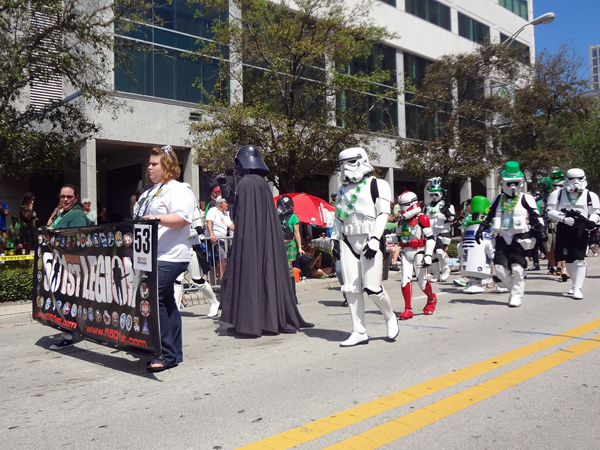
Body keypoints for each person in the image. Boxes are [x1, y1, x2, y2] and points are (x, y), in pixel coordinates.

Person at [219, 145, 313, 337]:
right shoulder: (261, 184)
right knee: (263, 277)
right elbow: (241, 204)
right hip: (264, 241)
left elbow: (242, 213)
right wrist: (225, 188)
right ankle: (263, 319)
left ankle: (248, 322)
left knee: (248, 277)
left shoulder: (246, 183)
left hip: (249, 242)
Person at [132, 145, 196, 372]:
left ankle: (166, 354)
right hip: (149, 257)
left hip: (170, 255)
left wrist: (157, 219)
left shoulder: (178, 189)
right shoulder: (150, 192)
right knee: (166, 302)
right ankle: (173, 353)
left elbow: (183, 217)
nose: (149, 167)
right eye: (149, 163)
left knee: (153, 299)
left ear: (166, 166)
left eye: (154, 164)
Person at [330, 147, 399, 347]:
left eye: (350, 162)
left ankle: (389, 317)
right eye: (342, 164)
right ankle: (359, 330)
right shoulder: (342, 190)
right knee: (351, 289)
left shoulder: (378, 184)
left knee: (373, 288)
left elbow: (382, 214)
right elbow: (338, 217)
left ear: (361, 161)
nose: (345, 168)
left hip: (370, 239)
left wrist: (375, 239)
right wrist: (335, 238)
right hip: (348, 241)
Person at [475, 161, 547, 308]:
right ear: (503, 183)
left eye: (516, 183)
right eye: (510, 183)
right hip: (502, 237)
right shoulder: (498, 199)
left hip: (520, 238)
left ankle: (516, 295)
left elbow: (535, 215)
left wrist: (541, 230)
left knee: (517, 268)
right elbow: (488, 217)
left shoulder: (526, 198)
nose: (513, 187)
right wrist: (481, 228)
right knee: (500, 270)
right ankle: (515, 289)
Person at [48, 184, 91, 350]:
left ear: (76, 198)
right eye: (62, 196)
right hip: (60, 264)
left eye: (69, 197)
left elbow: (79, 239)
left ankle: (67, 335)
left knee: (66, 299)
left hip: (71, 267)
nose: (65, 199)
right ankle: (68, 331)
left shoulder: (78, 215)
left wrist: (55, 233)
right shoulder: (63, 213)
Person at [546, 168, 600, 300]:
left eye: (579, 179)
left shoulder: (590, 195)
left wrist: (591, 221)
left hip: (581, 229)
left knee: (579, 258)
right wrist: (563, 218)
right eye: (572, 179)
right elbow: (549, 210)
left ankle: (577, 287)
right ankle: (574, 283)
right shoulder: (557, 194)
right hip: (564, 228)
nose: (576, 182)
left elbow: (596, 211)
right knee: (568, 259)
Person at [174, 185, 220, 317]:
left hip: (190, 247)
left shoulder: (192, 207)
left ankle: (214, 302)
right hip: (179, 247)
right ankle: (175, 310)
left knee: (197, 279)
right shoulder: (178, 207)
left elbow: (198, 230)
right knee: (177, 281)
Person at [393, 191, 438, 320]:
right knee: (404, 280)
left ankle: (431, 299)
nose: (402, 208)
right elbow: (399, 237)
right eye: (401, 205)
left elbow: (430, 238)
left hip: (419, 251)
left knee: (421, 281)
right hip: (406, 252)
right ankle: (408, 308)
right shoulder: (402, 221)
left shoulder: (421, 218)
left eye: (405, 205)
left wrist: (428, 255)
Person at [425, 177, 456, 282]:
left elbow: (453, 219)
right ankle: (436, 274)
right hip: (430, 233)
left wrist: (446, 212)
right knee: (432, 253)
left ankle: (446, 270)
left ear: (441, 194)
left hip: (443, 232)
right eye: (431, 194)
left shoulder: (447, 205)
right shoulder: (427, 207)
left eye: (436, 194)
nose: (433, 197)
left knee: (439, 251)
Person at [205, 197, 234, 280]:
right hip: (213, 240)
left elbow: (231, 226)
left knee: (221, 258)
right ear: (221, 203)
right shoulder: (213, 210)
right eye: (226, 203)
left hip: (221, 240)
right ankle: (222, 279)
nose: (228, 205)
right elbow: (209, 222)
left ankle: (219, 279)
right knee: (222, 256)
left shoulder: (225, 214)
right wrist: (212, 234)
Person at [276, 195, 304, 266]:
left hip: (290, 244)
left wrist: (300, 247)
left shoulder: (293, 217)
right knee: (279, 264)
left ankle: (288, 276)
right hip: (279, 243)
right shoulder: (277, 217)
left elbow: (297, 232)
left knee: (288, 265)